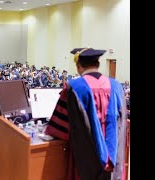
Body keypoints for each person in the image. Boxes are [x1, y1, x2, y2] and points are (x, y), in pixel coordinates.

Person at [44, 48, 126, 180]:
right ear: (98, 64)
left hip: (85, 157)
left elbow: (62, 126)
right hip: (113, 157)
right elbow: (121, 124)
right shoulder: (116, 86)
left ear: (78, 66)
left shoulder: (74, 87)